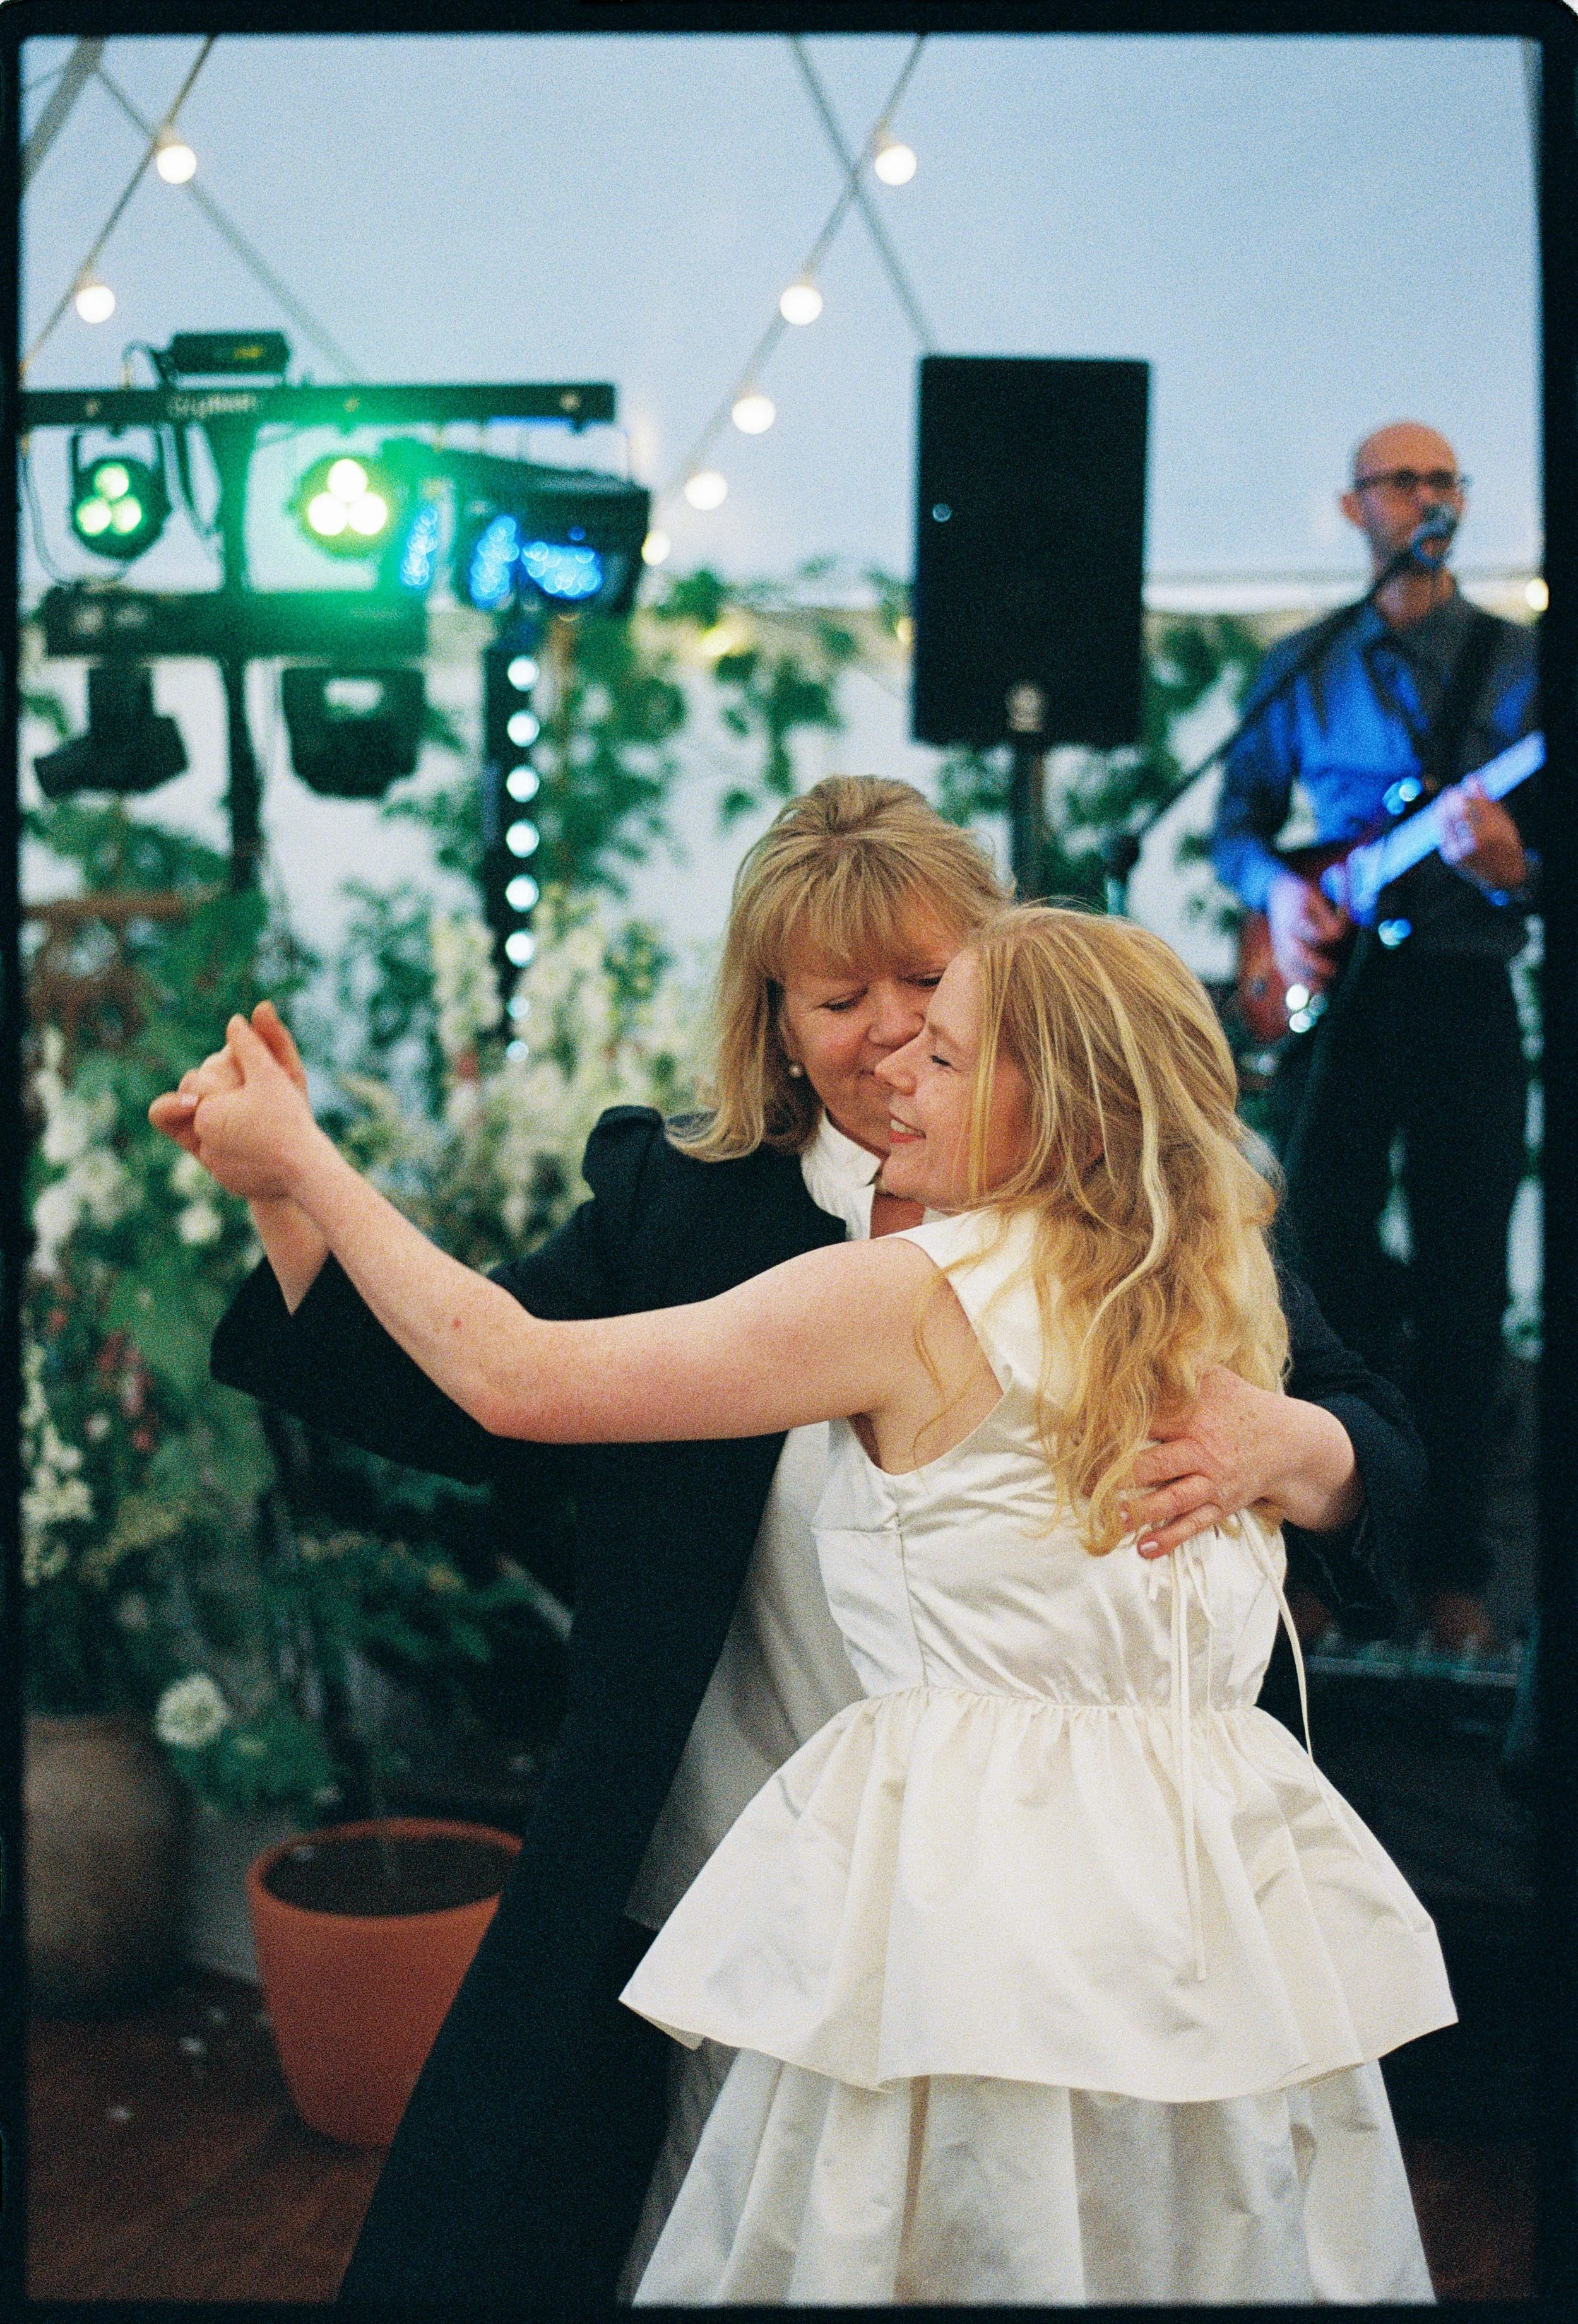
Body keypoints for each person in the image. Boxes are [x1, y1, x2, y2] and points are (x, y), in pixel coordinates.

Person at [152, 779, 1421, 2306]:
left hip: (1087, 1907)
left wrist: (1293, 1444)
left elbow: (1376, 1443)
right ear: (771, 1012)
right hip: (716, 1857)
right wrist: (297, 1190)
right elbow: (492, 1390)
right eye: (840, 996)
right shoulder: (690, 1202)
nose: (891, 1036)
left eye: (930, 991)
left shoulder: (1156, 1217)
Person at [1211, 422, 1538, 1659]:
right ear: (1352, 507)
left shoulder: (1521, 666)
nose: (1424, 497)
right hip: (1341, 1002)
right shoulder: (1301, 668)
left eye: (1443, 479)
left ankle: (1453, 1578)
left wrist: (1516, 869)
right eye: (1400, 480)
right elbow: (1237, 825)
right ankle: (1312, 1577)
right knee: (1310, 1275)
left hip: (1461, 992)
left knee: (1466, 1293)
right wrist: (1282, 898)